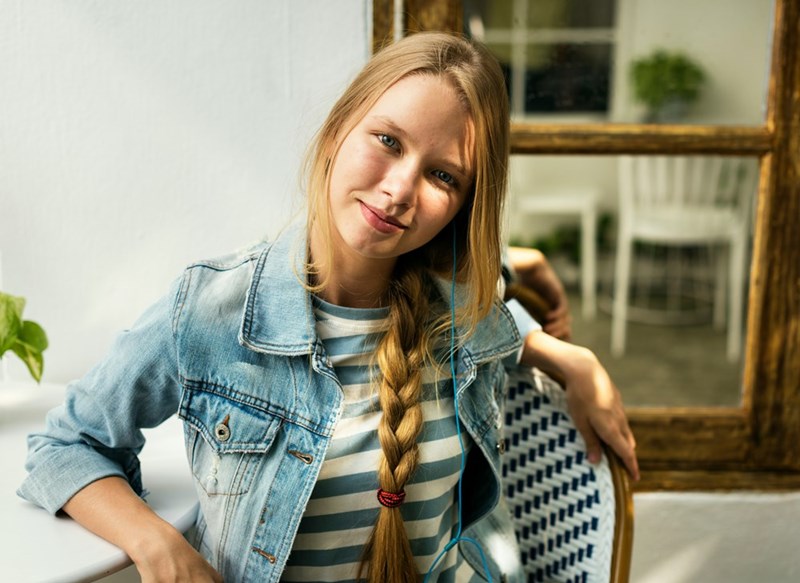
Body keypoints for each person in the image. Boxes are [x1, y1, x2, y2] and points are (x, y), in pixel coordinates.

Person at [19, 32, 635, 583]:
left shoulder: (463, 317)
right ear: (340, 128)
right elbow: (66, 446)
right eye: (388, 140)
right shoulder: (211, 312)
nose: (398, 191)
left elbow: (482, 285)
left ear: (462, 205)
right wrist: (158, 544)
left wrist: (563, 355)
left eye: (443, 177)